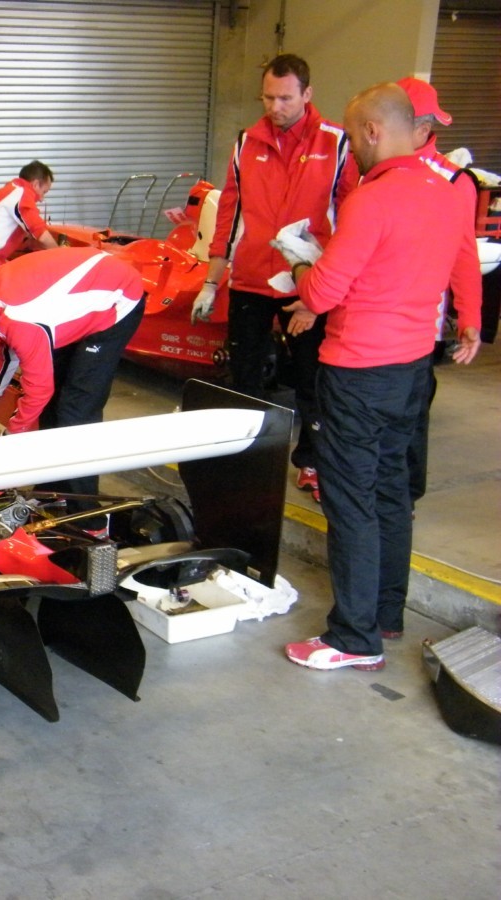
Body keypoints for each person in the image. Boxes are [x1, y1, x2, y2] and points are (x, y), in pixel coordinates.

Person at [275, 83, 481, 671]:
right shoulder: (447, 191)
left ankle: (353, 638)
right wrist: (469, 318)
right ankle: (387, 613)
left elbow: (323, 291)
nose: (354, 149)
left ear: (372, 131)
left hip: (358, 372)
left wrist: (299, 264)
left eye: (354, 135)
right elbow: (456, 259)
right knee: (391, 490)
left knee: (351, 501)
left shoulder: (372, 199)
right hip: (411, 368)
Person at [193, 54, 360, 502]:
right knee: (244, 375)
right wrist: (212, 279)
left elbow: (351, 221)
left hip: (308, 284)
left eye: (285, 98)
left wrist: (327, 291)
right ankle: (246, 456)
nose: (275, 107)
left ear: (307, 94)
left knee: (312, 380)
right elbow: (229, 214)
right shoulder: (245, 142)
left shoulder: (337, 144)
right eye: (268, 97)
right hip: (251, 278)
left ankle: (312, 462)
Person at [0, 246, 145, 513]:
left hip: (117, 295)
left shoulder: (19, 319)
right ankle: (52, 490)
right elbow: (4, 356)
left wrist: (13, 437)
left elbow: (38, 390)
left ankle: (88, 515)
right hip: (69, 298)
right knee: (52, 406)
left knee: (75, 413)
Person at [396, 77, 483, 506]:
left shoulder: (453, 181)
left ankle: (404, 498)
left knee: (411, 415)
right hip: (364, 323)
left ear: (422, 128)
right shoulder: (368, 170)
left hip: (417, 329)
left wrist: (469, 318)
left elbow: (464, 255)